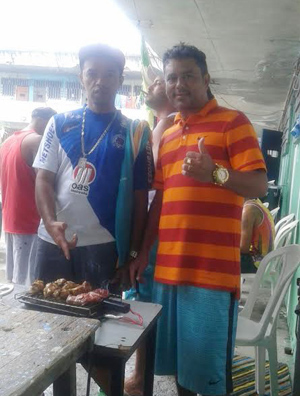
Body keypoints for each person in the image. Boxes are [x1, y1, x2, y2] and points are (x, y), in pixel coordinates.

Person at [130, 43, 268, 396]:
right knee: (181, 374)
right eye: (172, 77)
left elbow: (258, 184)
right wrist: (144, 253)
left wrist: (216, 174)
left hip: (210, 274)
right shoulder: (170, 133)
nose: (179, 84)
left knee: (208, 381)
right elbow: (159, 200)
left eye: (188, 76)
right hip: (166, 271)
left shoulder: (232, 123)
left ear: (206, 79)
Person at [33, 43, 153, 294]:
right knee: (46, 317)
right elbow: (43, 179)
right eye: (92, 73)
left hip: (105, 246)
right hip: (52, 239)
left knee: (97, 323)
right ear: (81, 78)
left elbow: (140, 199)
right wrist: (50, 222)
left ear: (120, 80)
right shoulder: (59, 123)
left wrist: (130, 253)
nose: (100, 81)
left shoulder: (134, 133)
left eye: (109, 74)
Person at [124, 74, 177, 396]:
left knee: (145, 300)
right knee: (143, 299)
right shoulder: (159, 123)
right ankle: (140, 375)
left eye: (159, 79)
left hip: (157, 230)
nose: (151, 83)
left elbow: (156, 189)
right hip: (152, 227)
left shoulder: (170, 123)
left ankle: (140, 377)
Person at [0, 107, 56, 285]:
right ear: (45, 120)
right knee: (29, 284)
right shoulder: (36, 140)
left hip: (11, 220)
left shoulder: (8, 141)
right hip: (30, 221)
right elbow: (48, 180)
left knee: (15, 280)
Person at [240, 198, 275, 273]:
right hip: (266, 260)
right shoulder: (257, 203)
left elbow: (243, 249)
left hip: (257, 264)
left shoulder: (248, 209)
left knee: (220, 258)